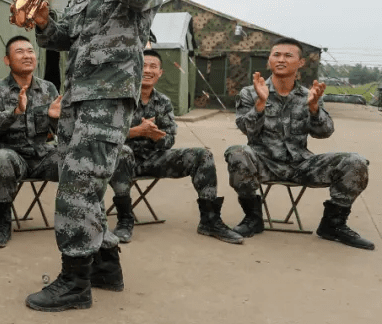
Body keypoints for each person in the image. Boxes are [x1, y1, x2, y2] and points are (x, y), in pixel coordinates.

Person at [25, 0, 166, 311]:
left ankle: (75, 282)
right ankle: (105, 265)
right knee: (80, 181)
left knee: (77, 185)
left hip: (108, 96)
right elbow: (62, 38)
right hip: (77, 98)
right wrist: (41, 21)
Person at [225, 38, 373, 250]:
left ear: (300, 63)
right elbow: (245, 129)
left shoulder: (309, 95)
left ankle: (334, 224)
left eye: (288, 55)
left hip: (301, 164)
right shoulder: (251, 92)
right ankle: (252, 219)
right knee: (237, 152)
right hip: (263, 163)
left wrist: (314, 108)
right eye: (276, 55)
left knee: (355, 161)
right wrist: (260, 104)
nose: (281, 60)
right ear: (269, 60)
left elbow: (325, 133)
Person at [108, 49, 242, 244]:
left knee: (202, 155)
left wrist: (157, 136)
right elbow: (105, 135)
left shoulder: (163, 102)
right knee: (122, 152)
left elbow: (169, 140)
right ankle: (125, 220)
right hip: (120, 164)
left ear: (160, 73)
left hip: (153, 159)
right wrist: (138, 131)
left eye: (153, 67)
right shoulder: (119, 99)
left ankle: (209, 220)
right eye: (143, 66)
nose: (147, 70)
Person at [0, 35, 63, 248]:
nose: (27, 56)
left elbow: (59, 129)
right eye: (20, 52)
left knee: (74, 160)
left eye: (30, 51)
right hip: (12, 154)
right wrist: (16, 111)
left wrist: (57, 119)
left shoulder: (49, 89)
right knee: (1, 158)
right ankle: (2, 223)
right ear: (7, 60)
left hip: (42, 154)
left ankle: (76, 218)